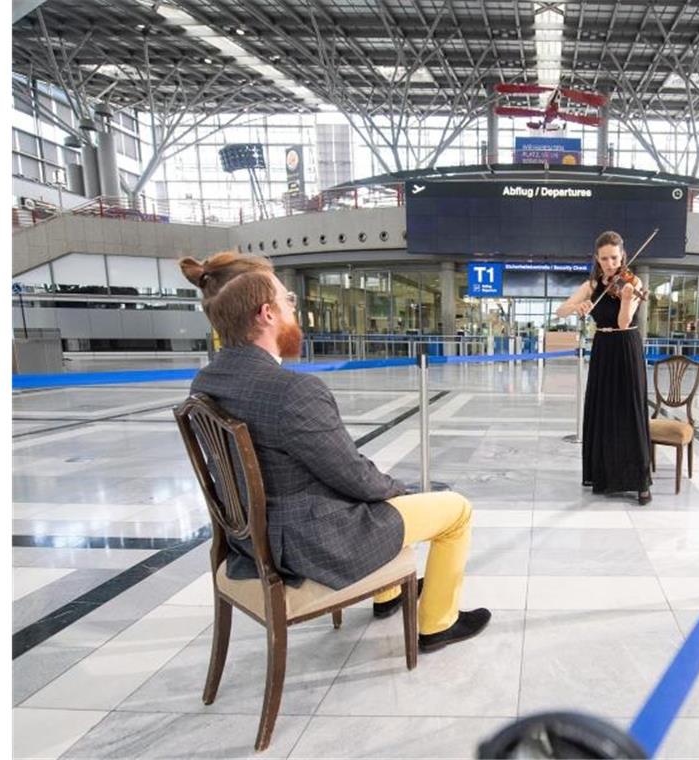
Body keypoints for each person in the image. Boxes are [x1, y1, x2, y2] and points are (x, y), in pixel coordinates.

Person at [178, 251, 490, 652]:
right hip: (314, 542)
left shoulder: (206, 382)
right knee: (454, 510)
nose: (294, 306)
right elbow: (353, 476)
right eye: (287, 300)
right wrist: (398, 489)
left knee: (386, 494)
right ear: (266, 314)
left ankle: (388, 594)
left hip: (253, 540)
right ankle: (437, 624)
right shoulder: (293, 392)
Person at [554, 231, 653, 505]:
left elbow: (623, 323)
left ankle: (641, 482)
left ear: (622, 255)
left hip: (626, 346)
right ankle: (606, 476)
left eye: (614, 257)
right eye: (605, 258)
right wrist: (578, 307)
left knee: (630, 412)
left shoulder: (633, 282)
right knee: (604, 411)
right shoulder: (592, 284)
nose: (610, 263)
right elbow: (559, 311)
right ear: (597, 259)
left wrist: (625, 300)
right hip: (603, 348)